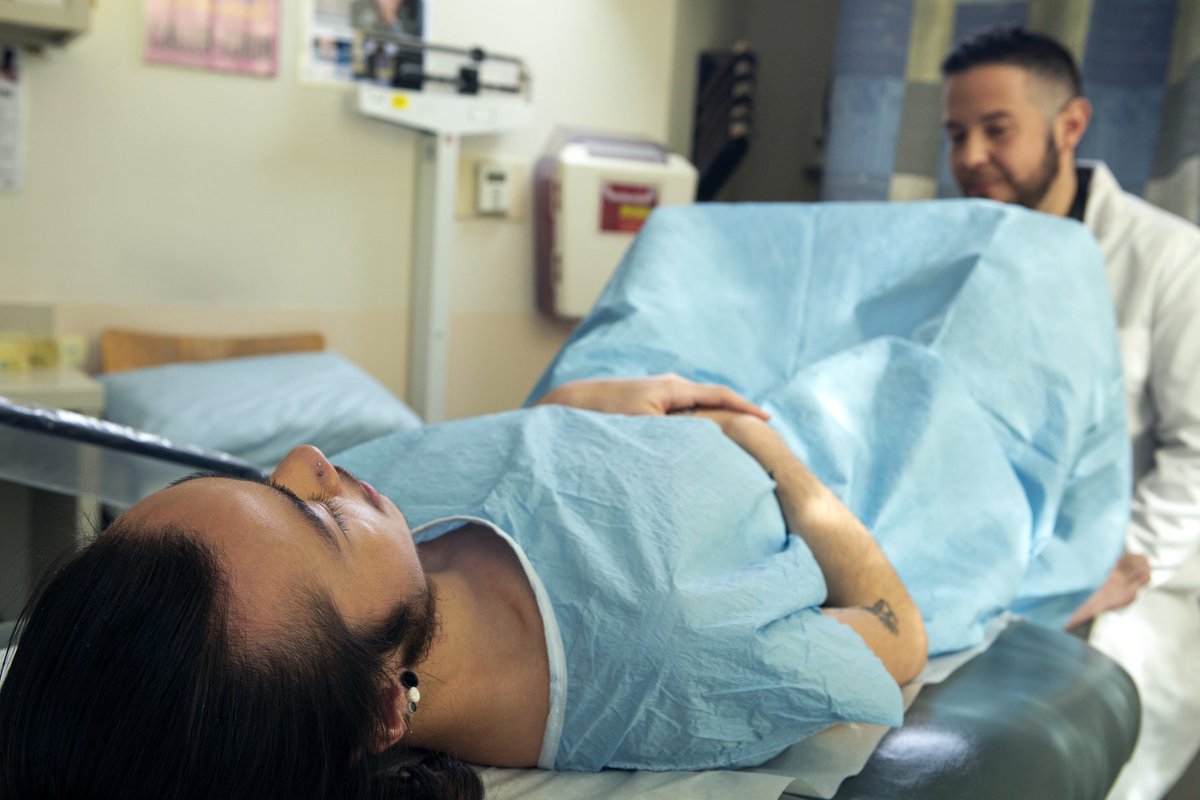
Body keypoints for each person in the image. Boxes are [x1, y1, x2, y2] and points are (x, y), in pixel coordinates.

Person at [0, 376, 926, 800]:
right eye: (313, 516)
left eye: (266, 484)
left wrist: (574, 409)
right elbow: (896, 633)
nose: (311, 461)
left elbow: (508, 452)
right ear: (380, 713)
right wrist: (765, 448)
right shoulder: (681, 661)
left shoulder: (356, 536)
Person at [941, 26, 1200, 800]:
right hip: (987, 575)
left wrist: (1089, 576)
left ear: (1071, 125)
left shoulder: (1170, 261)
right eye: (956, 134)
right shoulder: (962, 258)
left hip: (1134, 582)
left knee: (1051, 762)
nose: (969, 157)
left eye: (996, 130)